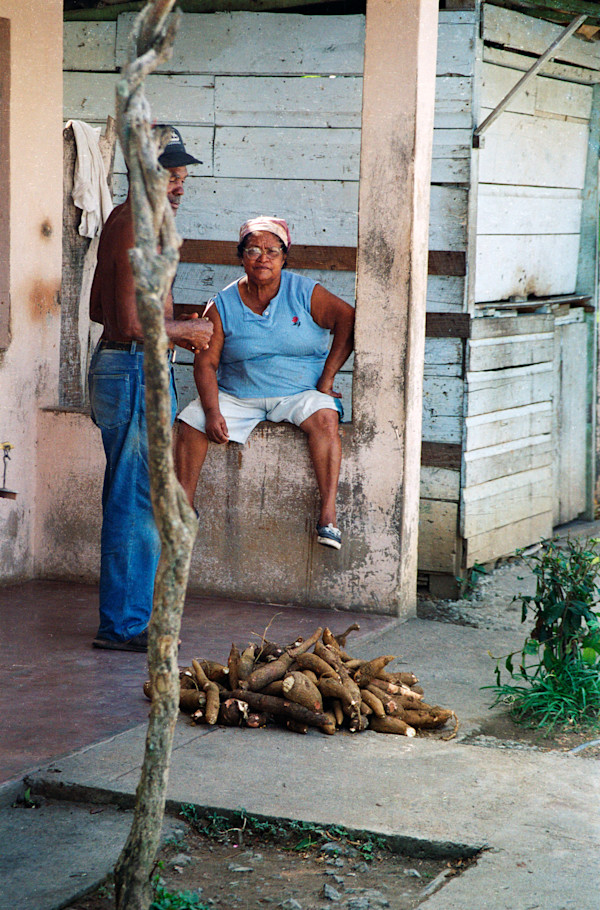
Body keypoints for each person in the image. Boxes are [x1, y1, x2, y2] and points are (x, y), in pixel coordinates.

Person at [89, 126, 213, 652]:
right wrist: (186, 331)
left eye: (183, 177)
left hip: (129, 368)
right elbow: (127, 323)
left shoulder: (129, 220)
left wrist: (174, 322)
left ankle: (127, 618)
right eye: (169, 176)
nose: (179, 186)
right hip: (134, 369)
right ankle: (124, 625)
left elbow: (99, 309)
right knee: (137, 499)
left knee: (135, 494)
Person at [175, 216, 355, 550]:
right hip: (239, 394)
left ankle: (328, 515)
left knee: (326, 418)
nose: (263, 258)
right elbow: (206, 362)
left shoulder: (304, 292)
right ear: (241, 256)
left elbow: (348, 318)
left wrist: (328, 377)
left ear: (285, 257)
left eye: (272, 250)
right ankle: (182, 511)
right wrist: (213, 412)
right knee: (192, 420)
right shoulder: (222, 304)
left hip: (300, 392)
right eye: (253, 250)